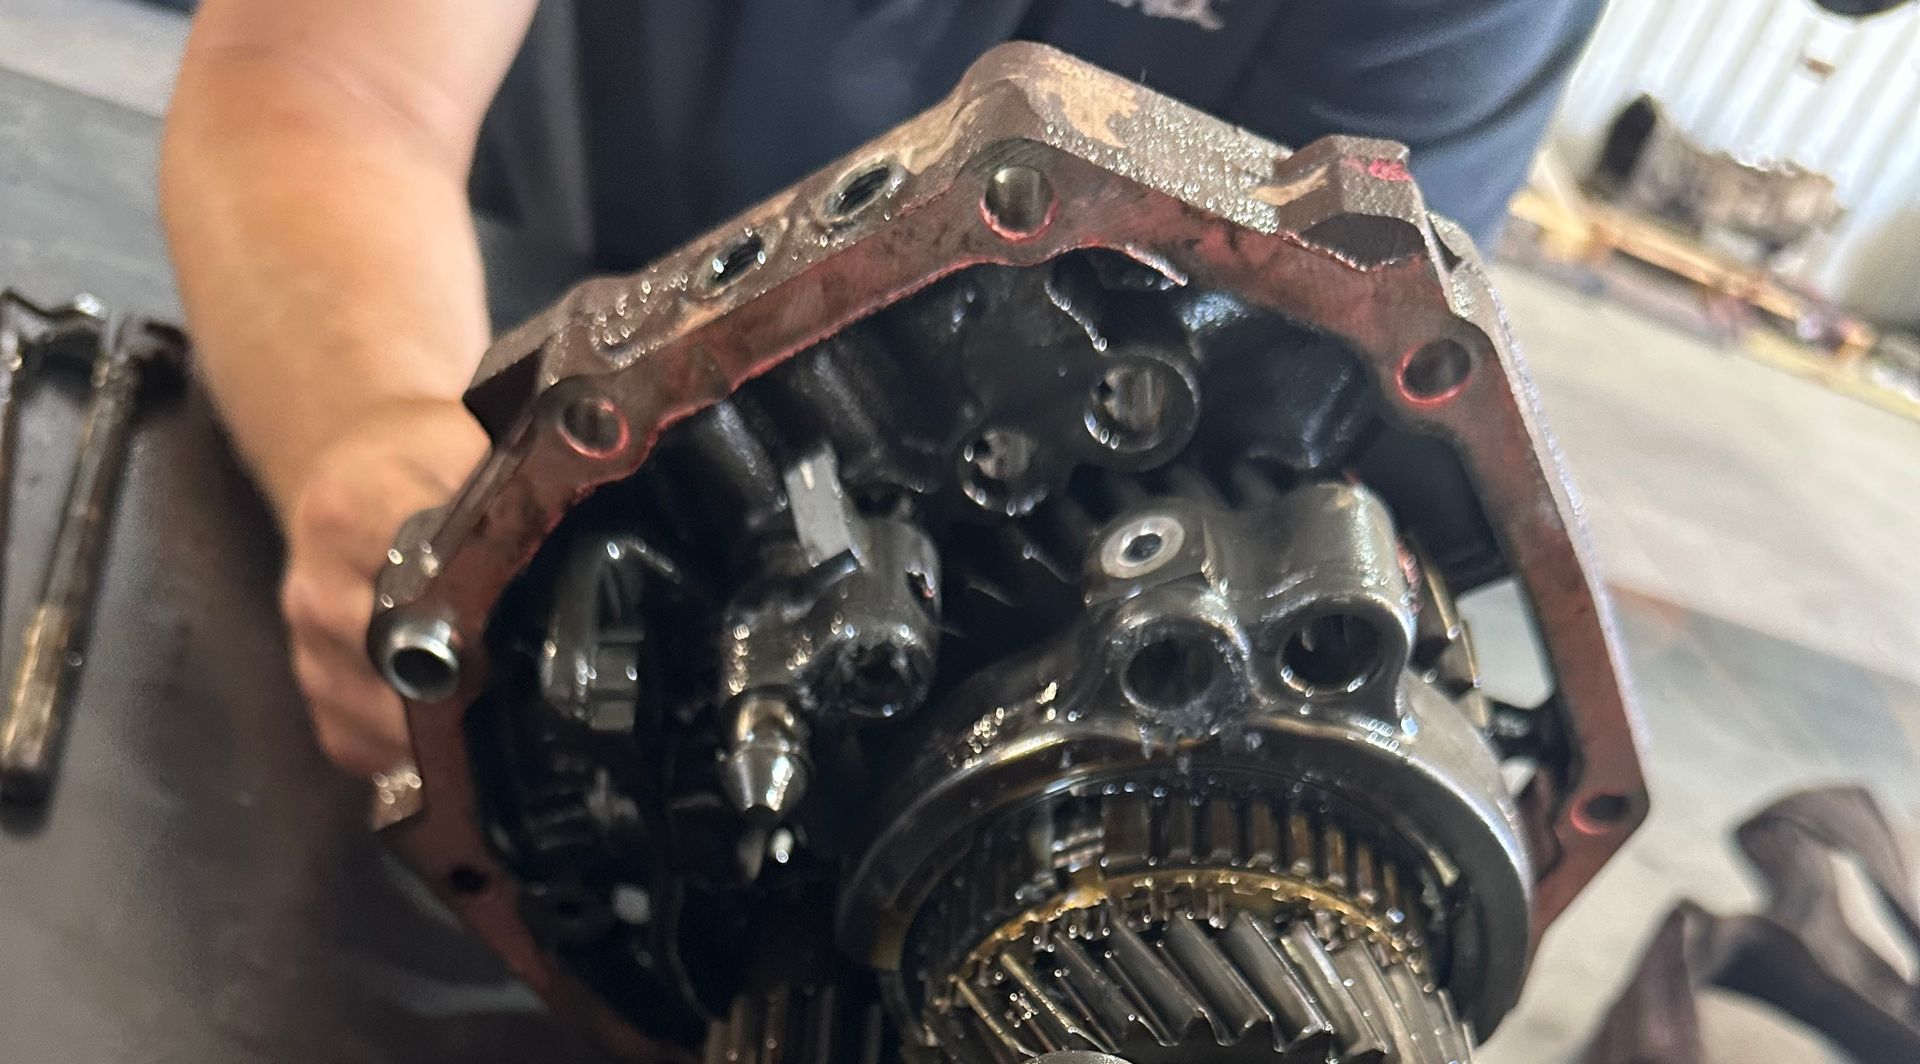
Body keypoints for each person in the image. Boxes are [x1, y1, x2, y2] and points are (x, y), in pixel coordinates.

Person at [162, 0, 1605, 781]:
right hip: (542, 372)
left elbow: (1333, 356)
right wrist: (385, 437)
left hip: (1058, 574)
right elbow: (326, 78)